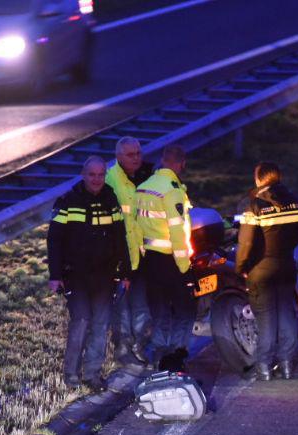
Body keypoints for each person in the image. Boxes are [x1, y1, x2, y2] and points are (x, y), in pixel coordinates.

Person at [47, 156, 130, 392]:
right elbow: (54, 240)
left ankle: (92, 375)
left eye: (100, 175)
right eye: (92, 175)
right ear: (83, 175)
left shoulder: (110, 200)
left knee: (101, 325)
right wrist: (55, 275)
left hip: (104, 276)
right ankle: (71, 375)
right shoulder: (67, 201)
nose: (96, 179)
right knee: (81, 321)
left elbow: (120, 238)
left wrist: (125, 272)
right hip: (76, 275)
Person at [235, 161, 298, 380]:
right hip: (286, 265)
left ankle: (264, 367)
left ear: (259, 179)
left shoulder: (254, 206)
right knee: (286, 314)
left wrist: (241, 267)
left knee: (266, 318)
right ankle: (286, 365)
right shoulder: (297, 203)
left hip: (261, 270)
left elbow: (246, 243)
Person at [133, 144, 194, 368]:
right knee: (185, 310)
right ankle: (176, 357)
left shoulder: (143, 188)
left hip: (149, 260)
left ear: (162, 161)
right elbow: (178, 232)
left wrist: (140, 254)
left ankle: (159, 356)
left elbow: (135, 227)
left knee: (159, 311)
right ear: (181, 164)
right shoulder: (172, 191)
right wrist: (184, 266)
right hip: (171, 260)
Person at [105, 136, 154, 366]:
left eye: (138, 153)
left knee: (142, 304)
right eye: (130, 155)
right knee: (122, 308)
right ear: (118, 157)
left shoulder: (147, 176)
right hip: (120, 254)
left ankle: (140, 346)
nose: (136, 158)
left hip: (143, 253)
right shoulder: (110, 180)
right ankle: (123, 350)